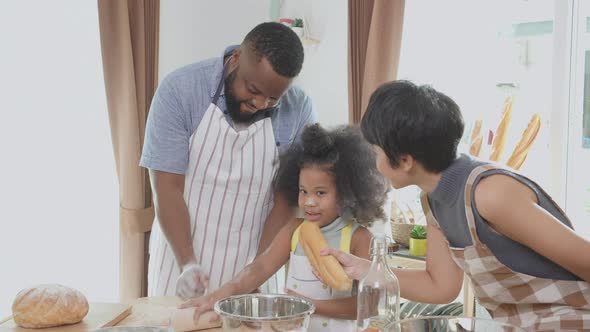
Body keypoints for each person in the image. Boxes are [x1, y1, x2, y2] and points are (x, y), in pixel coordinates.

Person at [320, 80, 590, 331]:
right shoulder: (433, 199)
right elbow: (440, 287)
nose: (375, 164)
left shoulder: (489, 193)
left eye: (376, 152)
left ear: (404, 160)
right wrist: (367, 269)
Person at [140, 22, 317, 299]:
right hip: (179, 266)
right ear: (236, 59)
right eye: (253, 89)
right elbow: (167, 189)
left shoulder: (299, 110)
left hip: (256, 268)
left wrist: (254, 275)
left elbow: (286, 201)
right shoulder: (180, 91)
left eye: (272, 98)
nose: (259, 103)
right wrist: (188, 263)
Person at [179, 124, 389, 331]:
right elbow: (260, 268)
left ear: (346, 191)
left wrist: (308, 306)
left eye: (320, 193)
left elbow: (368, 305)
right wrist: (220, 294)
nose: (309, 202)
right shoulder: (294, 230)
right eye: (303, 191)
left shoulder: (359, 238)